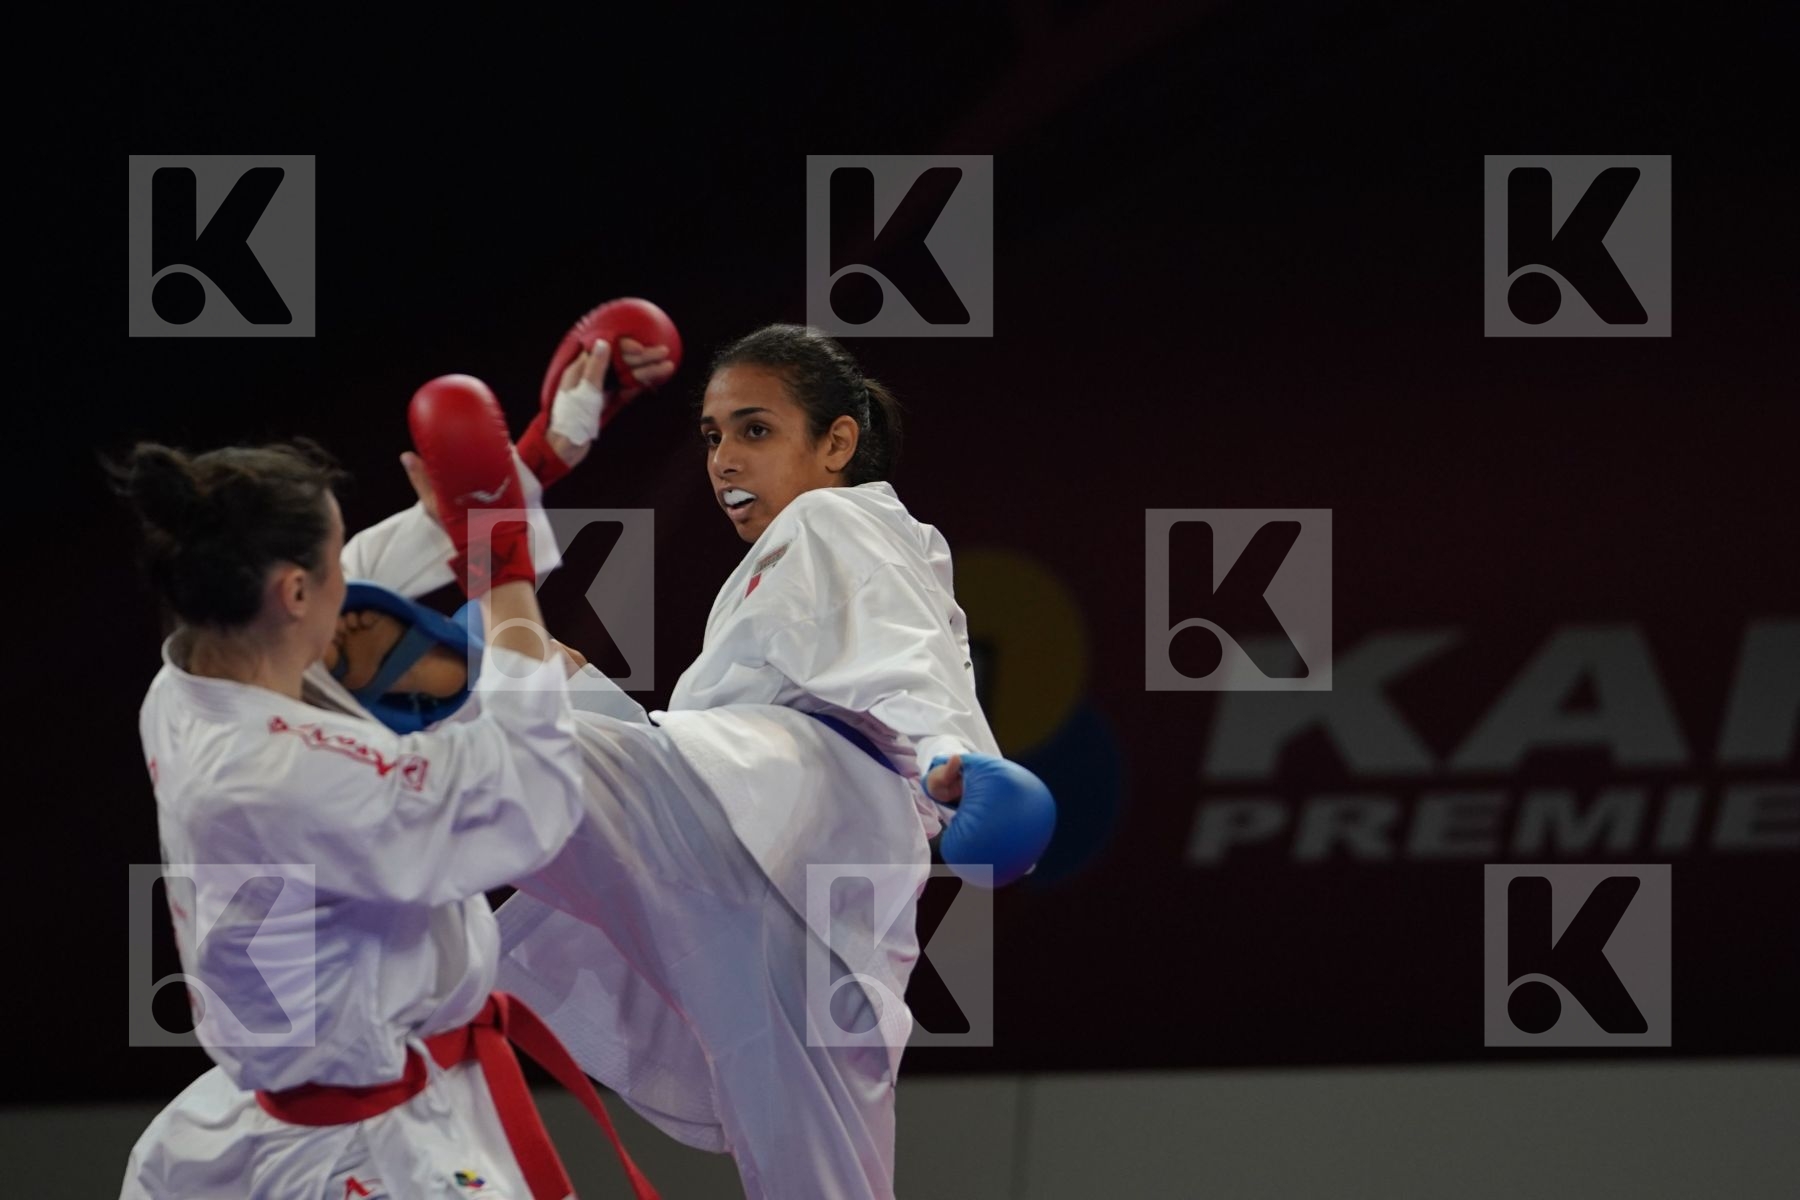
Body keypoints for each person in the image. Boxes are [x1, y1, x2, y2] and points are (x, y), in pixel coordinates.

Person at [340, 324, 1054, 1198]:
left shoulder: (843, 518)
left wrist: (958, 760)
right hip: (779, 883)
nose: (724, 459)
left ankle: (432, 653)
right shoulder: (773, 575)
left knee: (517, 713)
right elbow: (675, 757)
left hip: (783, 832)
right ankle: (450, 653)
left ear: (837, 442)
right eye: (713, 436)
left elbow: (910, 657)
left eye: (755, 430)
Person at [112, 380, 659, 1200]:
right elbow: (528, 789)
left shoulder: (193, 678)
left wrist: (541, 457)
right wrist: (504, 574)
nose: (352, 581)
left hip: (284, 1117)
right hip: (363, 1157)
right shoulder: (280, 774)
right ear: (293, 593)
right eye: (329, 566)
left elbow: (366, 568)